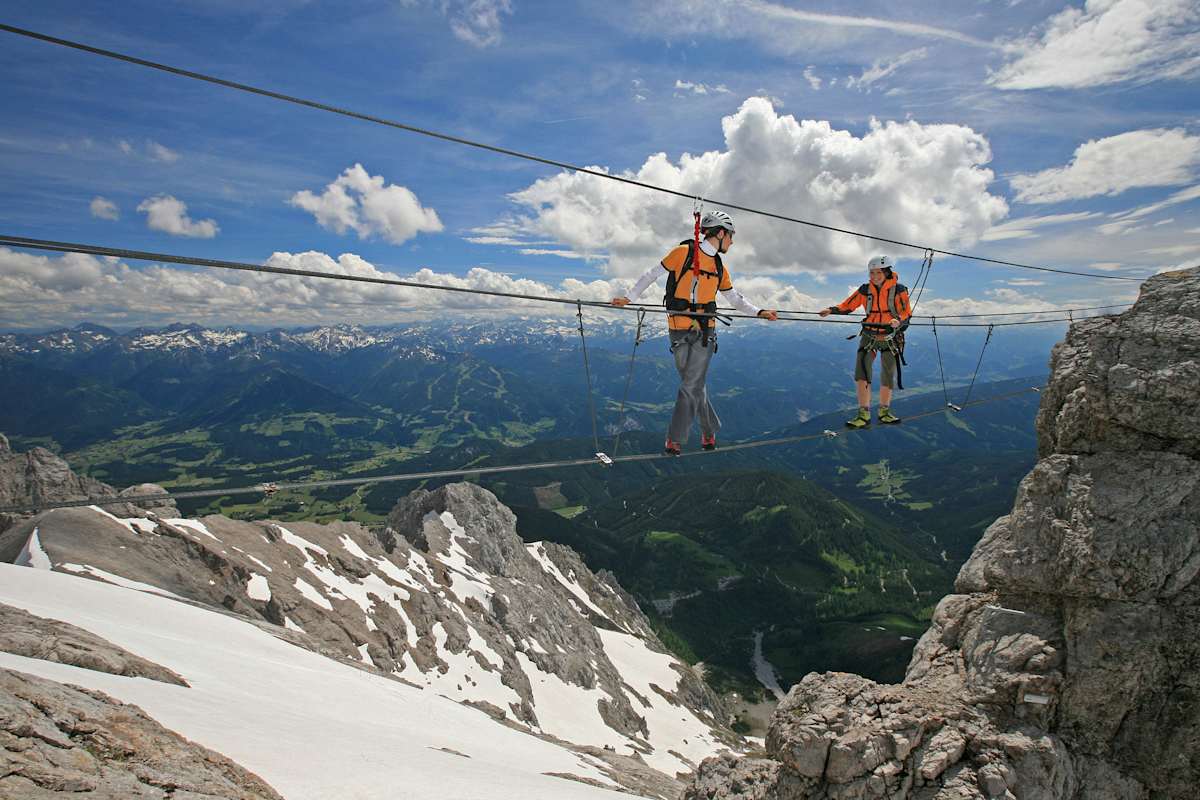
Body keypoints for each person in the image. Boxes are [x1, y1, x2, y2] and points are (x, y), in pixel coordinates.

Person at [611, 210, 778, 455]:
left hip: (705, 332)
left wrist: (759, 311)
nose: (732, 241)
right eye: (731, 236)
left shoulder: (719, 266)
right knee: (694, 383)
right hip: (678, 329)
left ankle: (674, 438)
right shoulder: (682, 253)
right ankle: (709, 430)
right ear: (719, 233)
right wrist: (629, 298)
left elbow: (734, 298)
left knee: (690, 384)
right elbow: (652, 274)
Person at [819, 255, 911, 428]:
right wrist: (831, 310)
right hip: (869, 335)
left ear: (887, 272)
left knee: (887, 374)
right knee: (861, 373)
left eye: (878, 272)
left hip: (891, 336)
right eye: (872, 273)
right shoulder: (865, 290)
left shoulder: (899, 290)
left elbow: (906, 312)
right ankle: (863, 414)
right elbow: (848, 305)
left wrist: (898, 320)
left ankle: (884, 412)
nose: (874, 276)